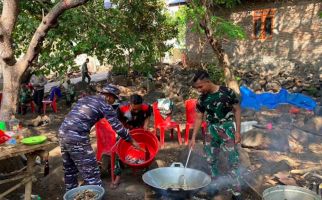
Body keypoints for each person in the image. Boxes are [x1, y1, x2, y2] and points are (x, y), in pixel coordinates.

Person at [58, 84, 141, 191]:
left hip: (62, 133)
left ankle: (70, 193)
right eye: (114, 99)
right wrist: (132, 141)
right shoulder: (105, 105)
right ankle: (95, 195)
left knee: (70, 170)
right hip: (77, 137)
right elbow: (118, 127)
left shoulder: (86, 99)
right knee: (92, 174)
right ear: (109, 96)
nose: (113, 102)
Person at [189, 70, 242, 200]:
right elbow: (198, 118)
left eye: (200, 87)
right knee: (211, 160)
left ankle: (236, 192)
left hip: (227, 128)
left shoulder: (227, 92)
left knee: (232, 160)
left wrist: (238, 131)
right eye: (197, 88)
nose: (199, 90)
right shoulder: (202, 99)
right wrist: (193, 137)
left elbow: (237, 110)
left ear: (207, 81)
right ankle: (214, 187)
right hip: (210, 130)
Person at [108, 94, 152, 189]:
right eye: (134, 109)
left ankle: (146, 171)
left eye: (138, 109)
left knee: (146, 149)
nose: (136, 111)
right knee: (119, 152)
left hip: (139, 129)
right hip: (126, 130)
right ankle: (117, 177)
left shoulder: (146, 107)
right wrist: (125, 133)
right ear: (130, 104)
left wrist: (146, 125)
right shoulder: (122, 108)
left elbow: (148, 117)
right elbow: (118, 123)